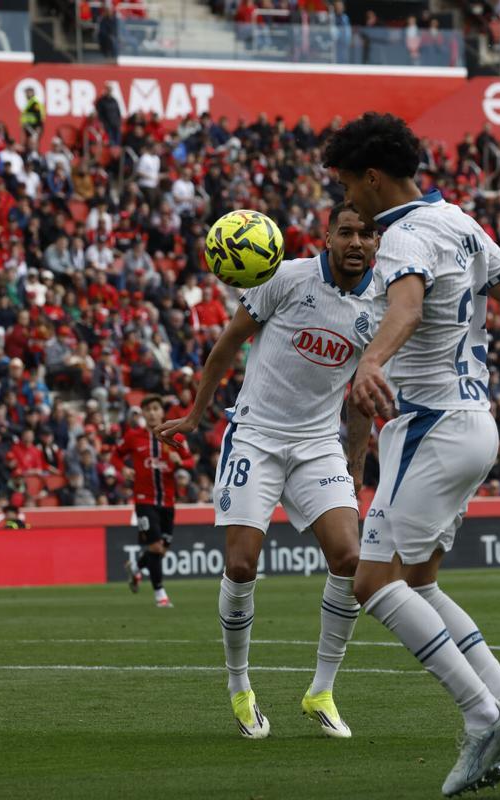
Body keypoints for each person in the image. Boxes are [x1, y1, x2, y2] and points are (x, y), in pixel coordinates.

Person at [325, 112, 500, 797]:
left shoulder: (403, 233)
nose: (349, 201)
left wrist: (371, 362)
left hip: (428, 426)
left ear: (372, 178)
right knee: (421, 581)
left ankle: (482, 716)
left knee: (373, 584)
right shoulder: (461, 221)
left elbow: (406, 305)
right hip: (474, 424)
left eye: (349, 185)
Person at [157, 203, 378, 741]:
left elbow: (363, 399)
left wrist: (353, 463)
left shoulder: (382, 304)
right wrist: (194, 414)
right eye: (345, 231)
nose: (356, 241)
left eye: (366, 233)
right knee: (241, 564)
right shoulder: (285, 278)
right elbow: (226, 347)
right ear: (326, 236)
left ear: (376, 243)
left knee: (351, 559)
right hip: (255, 436)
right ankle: (240, 687)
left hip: (318, 445)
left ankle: (321, 690)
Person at [116, 394, 194, 607]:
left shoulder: (175, 437)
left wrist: (181, 463)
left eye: (155, 409)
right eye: (148, 409)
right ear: (142, 413)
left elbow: (190, 461)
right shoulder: (133, 436)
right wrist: (123, 468)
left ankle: (135, 567)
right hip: (144, 500)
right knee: (157, 547)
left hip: (168, 501)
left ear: (162, 412)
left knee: (161, 550)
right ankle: (160, 595)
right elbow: (116, 454)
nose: (152, 413)